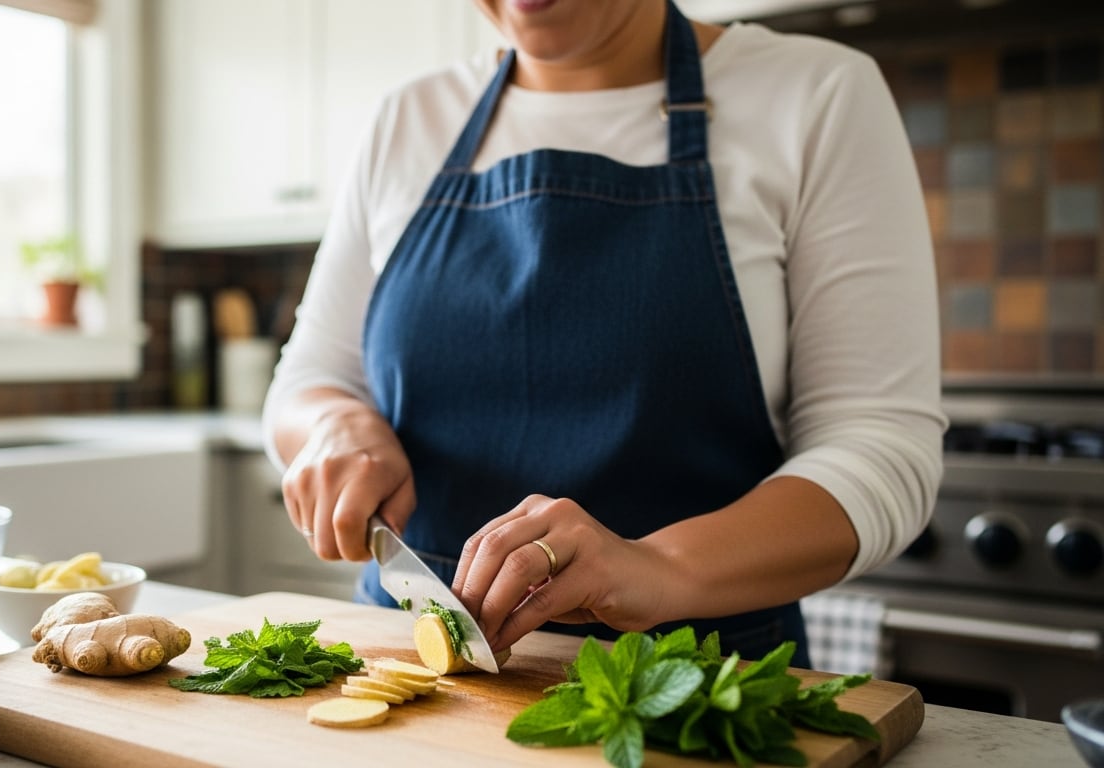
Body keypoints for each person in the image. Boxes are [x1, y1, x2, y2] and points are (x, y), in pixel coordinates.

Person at [262, 0, 944, 667]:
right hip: (412, 673)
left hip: (696, 689)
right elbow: (309, 379)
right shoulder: (409, 118)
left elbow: (880, 446)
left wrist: (655, 566)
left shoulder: (816, 94)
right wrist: (333, 424)